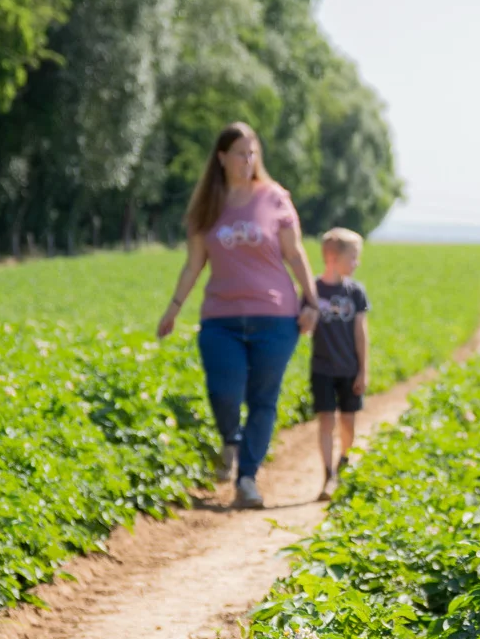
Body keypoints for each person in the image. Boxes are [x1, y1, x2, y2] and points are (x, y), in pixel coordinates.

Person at [156, 121, 318, 509]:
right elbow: (194, 264)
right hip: (221, 319)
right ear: (222, 158)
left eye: (253, 153)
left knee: (264, 398)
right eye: (241, 153)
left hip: (276, 318)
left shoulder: (275, 198)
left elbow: (295, 254)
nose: (248, 160)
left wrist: (311, 300)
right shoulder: (207, 206)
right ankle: (231, 439)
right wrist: (173, 308)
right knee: (223, 390)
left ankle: (247, 479)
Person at [311, 226, 370, 499]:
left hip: (349, 368)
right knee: (326, 421)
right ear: (333, 256)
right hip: (322, 368)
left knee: (348, 422)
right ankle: (328, 474)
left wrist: (363, 370)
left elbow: (361, 333)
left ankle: (344, 461)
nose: (356, 263)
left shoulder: (356, 292)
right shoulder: (313, 290)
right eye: (353, 257)